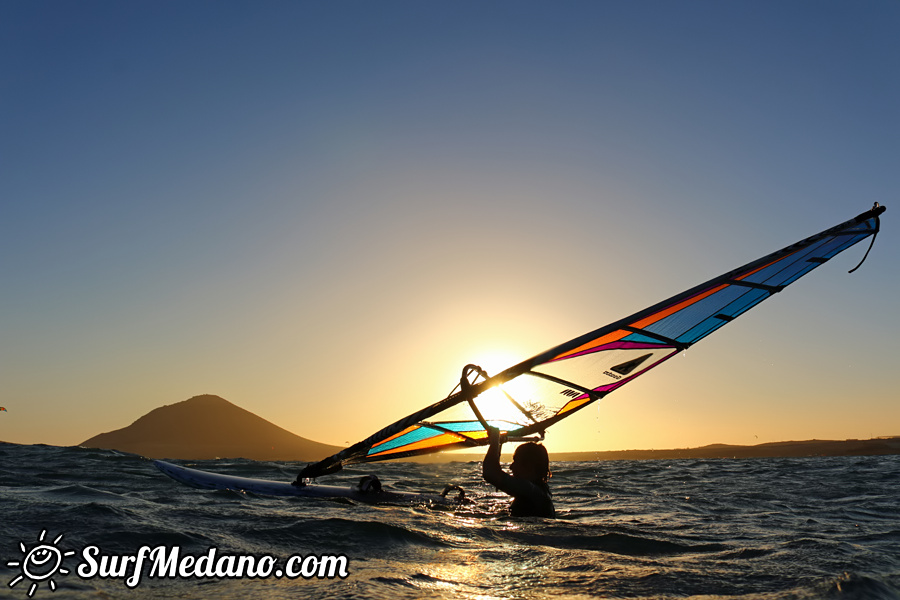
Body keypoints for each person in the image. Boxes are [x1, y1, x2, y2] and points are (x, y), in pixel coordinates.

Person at [482, 427, 555, 518]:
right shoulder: (541, 492)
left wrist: (495, 441)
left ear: (529, 467)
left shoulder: (529, 489)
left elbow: (491, 473)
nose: (511, 467)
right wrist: (498, 443)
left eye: (515, 461)